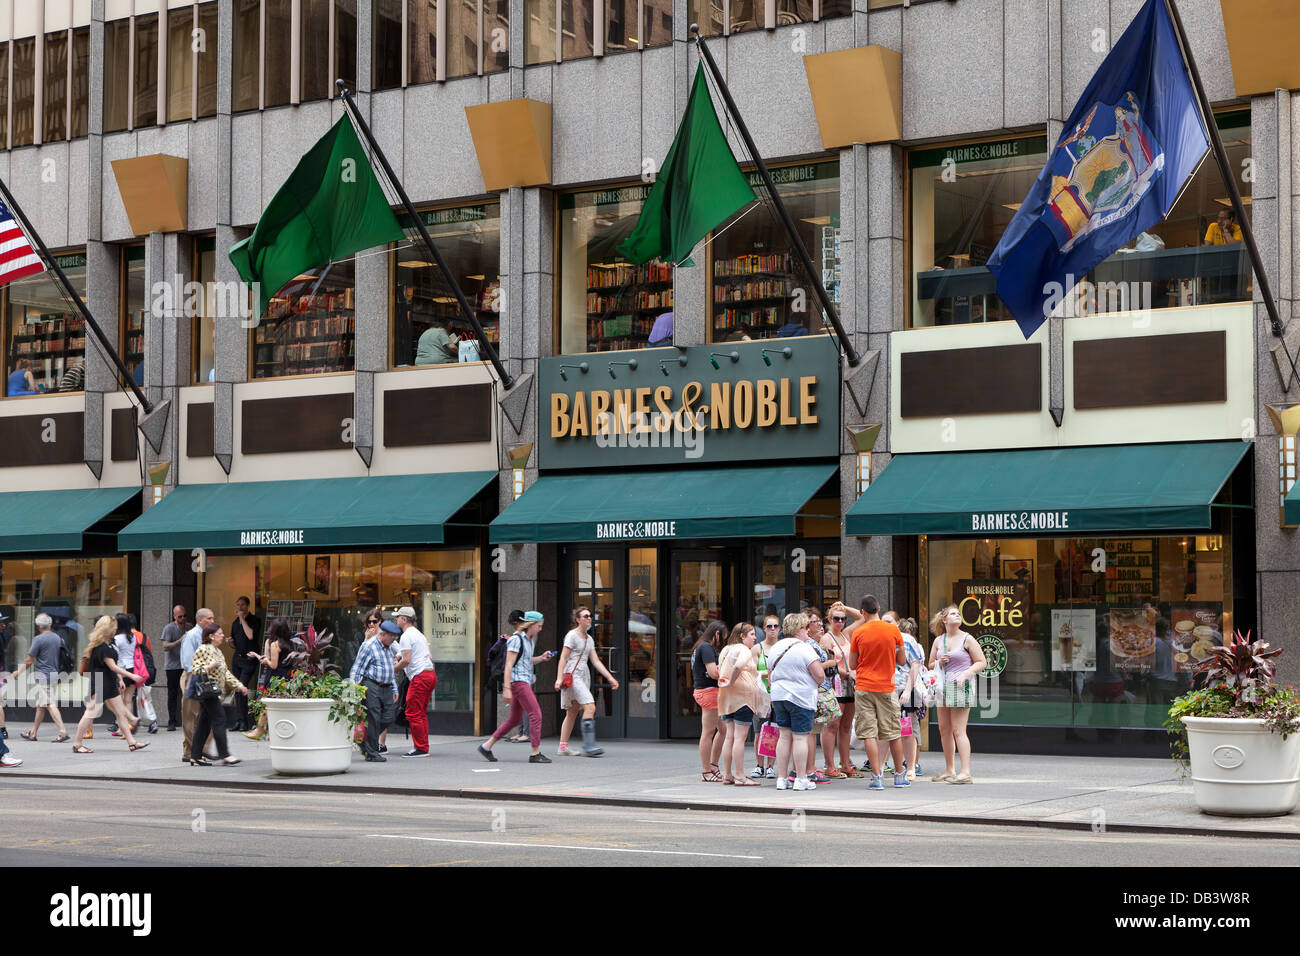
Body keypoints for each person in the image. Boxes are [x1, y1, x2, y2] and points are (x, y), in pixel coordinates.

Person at [847, 594, 909, 790]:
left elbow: (852, 664)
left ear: (863, 612)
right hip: (886, 687)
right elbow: (901, 660)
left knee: (869, 734)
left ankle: (877, 777)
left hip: (864, 686)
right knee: (892, 733)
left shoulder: (858, 633)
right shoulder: (892, 630)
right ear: (879, 608)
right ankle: (899, 775)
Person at [478, 610, 555, 763]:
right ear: (531, 624)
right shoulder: (516, 639)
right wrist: (507, 688)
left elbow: (525, 661)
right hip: (518, 683)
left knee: (514, 719)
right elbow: (508, 665)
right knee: (536, 714)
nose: (540, 628)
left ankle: (486, 746)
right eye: (539, 626)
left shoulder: (527, 640)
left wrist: (541, 658)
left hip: (522, 681)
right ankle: (535, 753)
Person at [72, 615, 148, 754]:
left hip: (108, 681)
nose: (116, 629)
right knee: (90, 713)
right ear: (107, 629)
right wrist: (131, 676)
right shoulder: (102, 647)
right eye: (114, 627)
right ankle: (77, 744)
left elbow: (111, 667)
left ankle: (132, 742)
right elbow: (112, 666)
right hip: (101, 682)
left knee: (120, 713)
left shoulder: (106, 644)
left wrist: (119, 679)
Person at [929, 604, 986, 784]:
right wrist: (939, 661)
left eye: (958, 613)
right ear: (944, 619)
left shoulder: (967, 639)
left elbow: (981, 662)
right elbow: (930, 664)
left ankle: (966, 772)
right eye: (953, 614)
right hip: (942, 687)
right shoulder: (939, 640)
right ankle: (949, 770)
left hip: (961, 687)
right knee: (944, 729)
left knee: (958, 730)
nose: (957, 616)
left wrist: (965, 674)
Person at [768, 612, 825, 791]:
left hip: (779, 696)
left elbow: (770, 676)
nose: (808, 631)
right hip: (801, 697)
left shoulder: (776, 648)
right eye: (806, 627)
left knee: (784, 736)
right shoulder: (804, 648)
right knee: (800, 737)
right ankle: (800, 778)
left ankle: (782, 778)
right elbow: (820, 675)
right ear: (800, 629)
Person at [555, 606, 618, 757]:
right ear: (578, 620)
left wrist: (609, 677)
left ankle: (563, 748)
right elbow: (563, 658)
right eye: (585, 616)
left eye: (590, 616)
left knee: (573, 711)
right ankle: (589, 745)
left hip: (583, 675)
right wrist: (559, 678)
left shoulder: (589, 639)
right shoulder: (571, 636)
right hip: (573, 675)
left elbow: (595, 661)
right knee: (590, 707)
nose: (589, 618)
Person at [188, 624, 248, 766]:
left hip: (214, 692)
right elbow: (196, 670)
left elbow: (226, 673)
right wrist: (210, 666)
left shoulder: (218, 652)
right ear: (211, 636)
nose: (222, 635)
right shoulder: (203, 649)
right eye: (219, 633)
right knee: (220, 719)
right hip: (208, 692)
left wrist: (239, 686)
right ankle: (225, 754)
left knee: (204, 723)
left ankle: (195, 755)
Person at [11, 613, 69, 742]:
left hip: (43, 676)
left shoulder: (39, 639)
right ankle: (33, 733)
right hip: (53, 674)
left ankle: (63, 731)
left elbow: (29, 660)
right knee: (40, 705)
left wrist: (17, 672)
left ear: (38, 626)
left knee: (49, 703)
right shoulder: (57, 638)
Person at [350, 618, 402, 762]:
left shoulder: (388, 646)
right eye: (392, 637)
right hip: (371, 684)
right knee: (373, 717)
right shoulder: (369, 646)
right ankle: (372, 753)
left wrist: (394, 688)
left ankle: (365, 742)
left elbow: (389, 668)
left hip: (386, 686)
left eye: (395, 637)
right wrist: (354, 689)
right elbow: (357, 668)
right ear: (383, 634)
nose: (394, 640)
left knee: (389, 716)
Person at [716, 622, 760, 786]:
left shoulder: (725, 650)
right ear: (742, 636)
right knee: (739, 738)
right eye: (752, 634)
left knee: (730, 736)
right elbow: (739, 665)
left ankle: (728, 775)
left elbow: (720, 669)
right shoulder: (743, 649)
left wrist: (727, 683)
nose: (755, 638)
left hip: (727, 698)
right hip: (743, 698)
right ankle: (740, 776)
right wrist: (732, 681)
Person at [392, 606, 436, 757]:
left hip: (420, 677)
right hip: (429, 674)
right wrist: (399, 656)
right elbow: (429, 656)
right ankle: (423, 746)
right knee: (420, 712)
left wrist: (394, 669)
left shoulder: (405, 636)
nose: (396, 619)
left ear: (404, 619)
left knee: (412, 712)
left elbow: (407, 660)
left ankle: (421, 748)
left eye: (398, 617)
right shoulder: (418, 634)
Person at [822, 602, 861, 778]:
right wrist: (844, 672)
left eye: (843, 619)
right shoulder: (826, 638)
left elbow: (861, 618)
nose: (840, 622)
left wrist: (845, 607)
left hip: (849, 683)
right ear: (830, 619)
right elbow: (824, 664)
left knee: (846, 725)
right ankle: (829, 765)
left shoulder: (846, 635)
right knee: (833, 724)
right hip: (835, 682)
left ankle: (845, 764)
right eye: (836, 618)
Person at [244, 617, 295, 740]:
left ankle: (259, 731)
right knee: (280, 705)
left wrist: (265, 660)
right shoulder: (290, 643)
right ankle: (269, 731)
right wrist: (259, 657)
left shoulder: (275, 644)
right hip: (286, 677)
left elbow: (273, 665)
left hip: (275, 678)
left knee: (266, 704)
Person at [690, 620, 727, 782]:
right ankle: (707, 770)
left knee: (723, 730)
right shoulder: (706, 647)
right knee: (708, 732)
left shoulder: (701, 646)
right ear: (717, 634)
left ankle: (713, 766)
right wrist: (730, 669)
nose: (723, 642)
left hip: (708, 691)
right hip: (709, 691)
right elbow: (713, 672)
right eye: (723, 638)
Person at [749, 613, 783, 779]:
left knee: (775, 731)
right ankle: (759, 765)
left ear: (779, 628)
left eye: (775, 626)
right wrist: (768, 673)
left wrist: (766, 673)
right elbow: (754, 671)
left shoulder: (782, 647)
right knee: (758, 732)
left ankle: (770, 766)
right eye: (769, 626)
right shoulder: (757, 648)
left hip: (778, 695)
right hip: (761, 695)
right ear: (764, 628)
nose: (772, 630)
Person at [180, 608, 217, 761]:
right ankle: (192, 751)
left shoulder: (207, 636)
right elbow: (189, 662)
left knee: (206, 714)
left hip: (205, 675)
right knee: (191, 716)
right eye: (209, 618)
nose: (212, 621)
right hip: (193, 676)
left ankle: (198, 749)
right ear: (200, 620)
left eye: (213, 618)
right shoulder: (192, 636)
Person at [895, 617, 926, 782]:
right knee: (889, 730)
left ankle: (911, 765)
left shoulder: (908, 641)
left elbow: (916, 664)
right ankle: (888, 767)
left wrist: (908, 689)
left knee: (907, 727)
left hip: (907, 688)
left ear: (897, 623)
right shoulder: (882, 638)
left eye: (889, 621)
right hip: (887, 689)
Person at [229, 597, 262, 732]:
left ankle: (245, 722)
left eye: (242, 605)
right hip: (237, 658)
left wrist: (242, 619)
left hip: (249, 659)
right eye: (238, 605)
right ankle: (239, 720)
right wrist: (230, 642)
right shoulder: (234, 623)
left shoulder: (255, 620)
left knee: (242, 688)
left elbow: (250, 636)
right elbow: (235, 644)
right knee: (237, 689)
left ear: (248, 606)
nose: (240, 608)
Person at [110, 614, 140, 736]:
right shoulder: (133, 637)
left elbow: (115, 656)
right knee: (128, 700)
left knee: (120, 701)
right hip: (133, 669)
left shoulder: (117, 639)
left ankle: (123, 728)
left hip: (121, 670)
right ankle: (127, 728)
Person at [130, 616, 160, 734]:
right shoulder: (144, 636)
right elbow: (149, 653)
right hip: (143, 670)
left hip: (131, 670)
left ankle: (125, 722)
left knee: (127, 697)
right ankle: (153, 722)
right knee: (145, 696)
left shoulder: (125, 637)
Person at [159, 605, 187, 731]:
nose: (183, 618)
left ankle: (186, 720)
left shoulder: (189, 627)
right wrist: (179, 641)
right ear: (174, 616)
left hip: (186, 664)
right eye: (180, 616)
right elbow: (165, 646)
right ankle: (172, 721)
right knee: (173, 693)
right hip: (173, 666)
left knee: (187, 693)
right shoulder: (169, 628)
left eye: (184, 616)